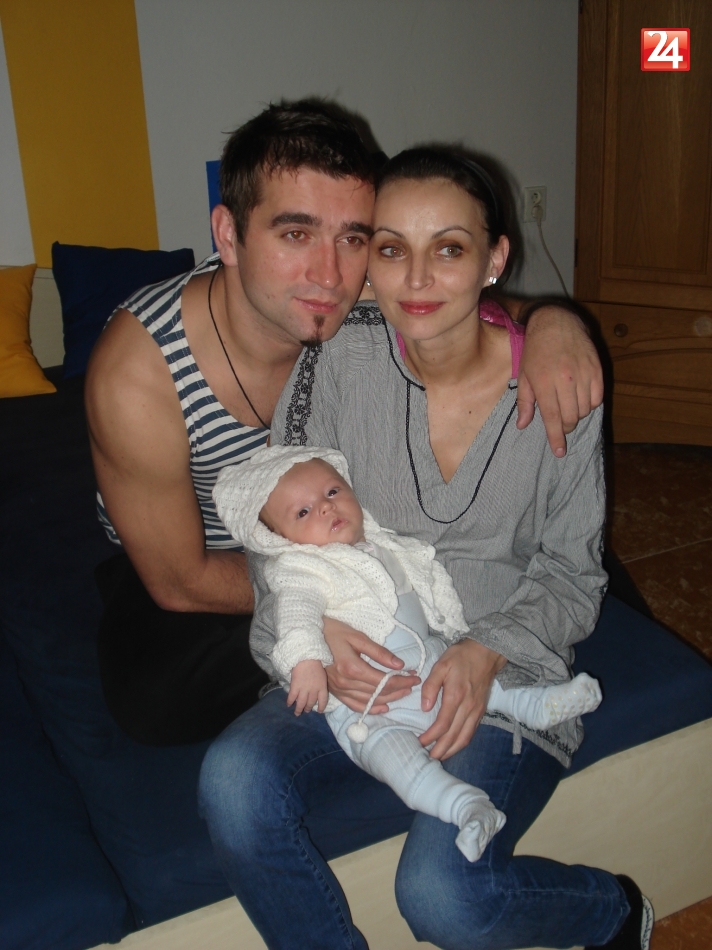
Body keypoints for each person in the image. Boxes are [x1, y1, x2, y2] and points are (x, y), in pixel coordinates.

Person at [198, 146, 653, 950]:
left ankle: (612, 911)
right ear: (368, 264)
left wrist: (486, 651)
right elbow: (277, 526)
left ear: (494, 260)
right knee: (232, 781)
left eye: (448, 248)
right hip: (361, 674)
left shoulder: (558, 388)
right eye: (390, 248)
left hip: (500, 678)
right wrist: (315, 632)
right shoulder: (337, 359)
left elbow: (573, 573)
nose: (416, 279)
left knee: (443, 898)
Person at [85, 100, 604, 748]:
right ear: (228, 235)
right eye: (295, 235)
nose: (329, 275)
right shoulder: (139, 375)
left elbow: (458, 297)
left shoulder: (357, 289)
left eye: (355, 238)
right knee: (153, 698)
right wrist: (327, 608)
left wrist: (554, 321)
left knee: (571, 569)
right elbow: (180, 581)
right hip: (219, 560)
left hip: (357, 529)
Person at [212, 444, 602, 863]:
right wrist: (306, 662)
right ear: (282, 540)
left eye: (332, 492)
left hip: (425, 665)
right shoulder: (301, 569)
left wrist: (452, 624)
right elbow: (294, 613)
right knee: (399, 765)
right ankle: (467, 808)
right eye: (303, 512)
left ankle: (540, 706)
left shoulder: (385, 543)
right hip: (370, 708)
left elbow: (429, 581)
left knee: (478, 685)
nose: (325, 508)